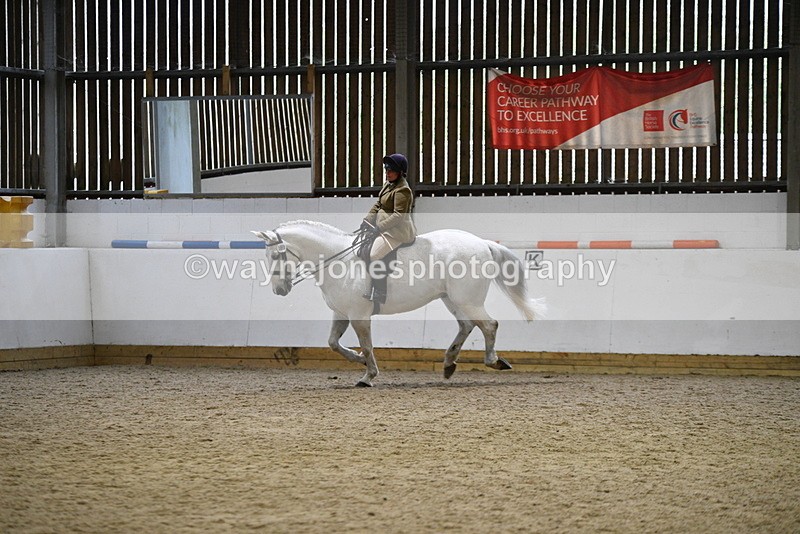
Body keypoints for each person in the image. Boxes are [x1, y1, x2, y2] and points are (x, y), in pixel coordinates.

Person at [360, 153, 417, 301]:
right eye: (387, 169)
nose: (388, 173)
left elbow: (399, 215)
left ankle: (380, 291)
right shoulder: (388, 185)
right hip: (385, 228)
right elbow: (378, 204)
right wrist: (367, 220)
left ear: (400, 172)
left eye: (391, 170)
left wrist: (379, 227)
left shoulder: (403, 190)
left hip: (397, 232)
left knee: (374, 255)